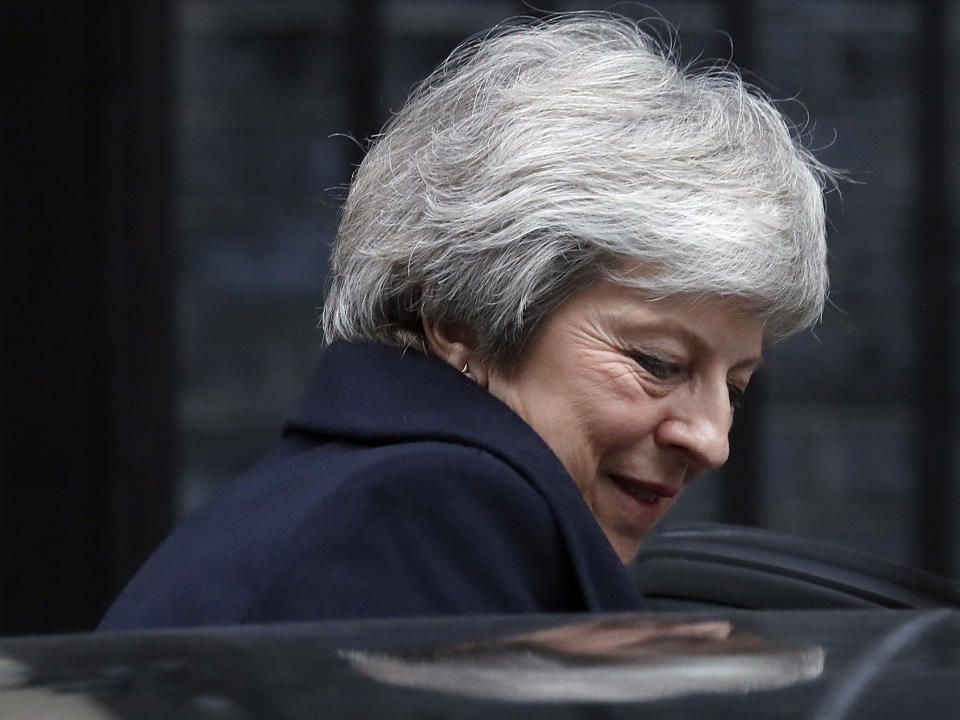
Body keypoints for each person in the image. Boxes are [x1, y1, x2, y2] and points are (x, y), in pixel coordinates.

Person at [99, 12, 834, 630]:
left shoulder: (346, 496)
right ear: (462, 320)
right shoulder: (433, 510)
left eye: (734, 387)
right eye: (658, 363)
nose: (711, 440)